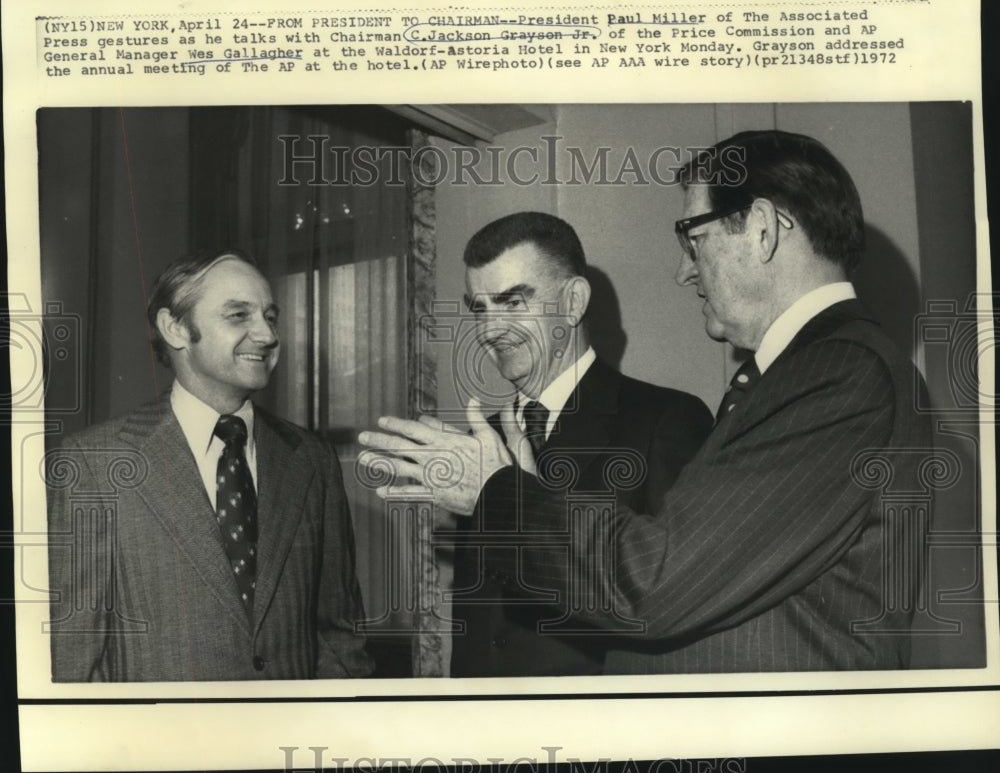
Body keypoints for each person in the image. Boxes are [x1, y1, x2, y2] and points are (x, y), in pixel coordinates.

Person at [359, 130, 935, 672]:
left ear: (761, 228)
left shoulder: (837, 374)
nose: (685, 270)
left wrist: (497, 492)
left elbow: (654, 582)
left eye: (693, 238)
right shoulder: (814, 372)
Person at [47, 250, 372, 681]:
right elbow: (73, 657)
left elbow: (338, 637)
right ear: (176, 329)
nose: (267, 334)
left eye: (270, 316)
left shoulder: (311, 459)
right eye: (239, 315)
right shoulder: (95, 463)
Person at [448, 212, 712, 677]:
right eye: (479, 308)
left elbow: (673, 601)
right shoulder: (481, 442)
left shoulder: (665, 421)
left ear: (572, 302)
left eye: (512, 303)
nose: (489, 330)